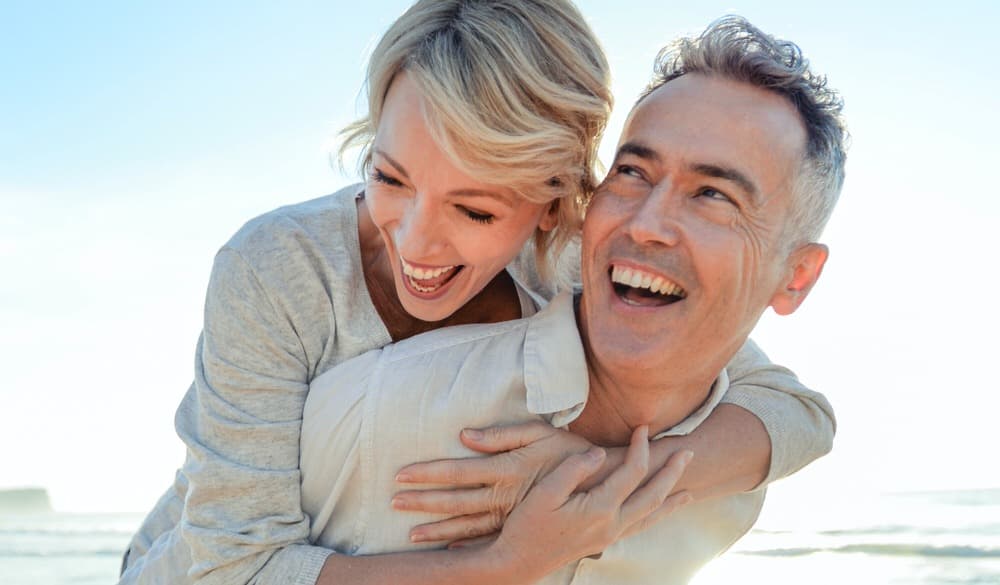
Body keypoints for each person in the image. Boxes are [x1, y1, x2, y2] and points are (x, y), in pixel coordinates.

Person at [119, 2, 836, 584]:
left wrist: (601, 481)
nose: (416, 243)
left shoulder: (568, 259)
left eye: (475, 210)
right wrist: (508, 563)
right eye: (390, 176)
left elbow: (798, 412)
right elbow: (230, 569)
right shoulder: (279, 268)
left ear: (555, 206)